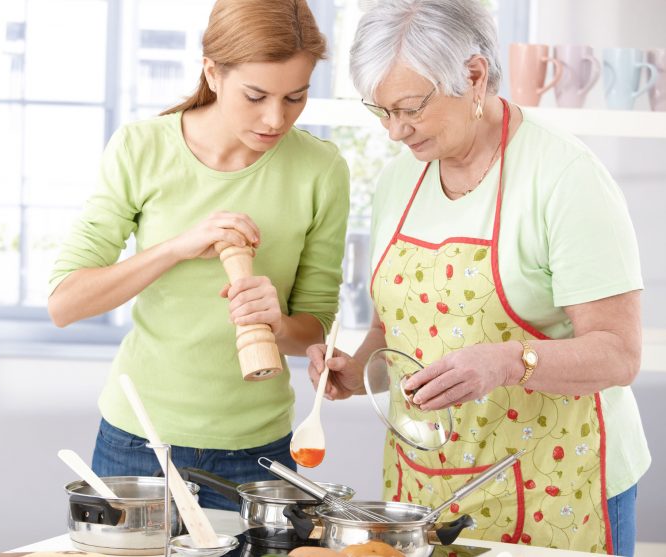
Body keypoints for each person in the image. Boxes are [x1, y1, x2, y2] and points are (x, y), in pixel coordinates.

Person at [306, 1, 649, 555]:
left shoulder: (564, 176)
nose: (395, 131)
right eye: (381, 111)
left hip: (558, 482)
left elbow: (619, 354)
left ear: (473, 76)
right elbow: (393, 330)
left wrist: (512, 360)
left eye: (410, 107)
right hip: (424, 486)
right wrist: (355, 368)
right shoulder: (399, 180)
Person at [48, 0, 349, 511]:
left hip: (259, 453)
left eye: (296, 97)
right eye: (255, 96)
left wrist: (277, 323)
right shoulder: (141, 149)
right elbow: (65, 304)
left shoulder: (321, 169)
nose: (276, 118)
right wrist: (178, 247)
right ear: (212, 70)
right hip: (138, 440)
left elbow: (316, 326)